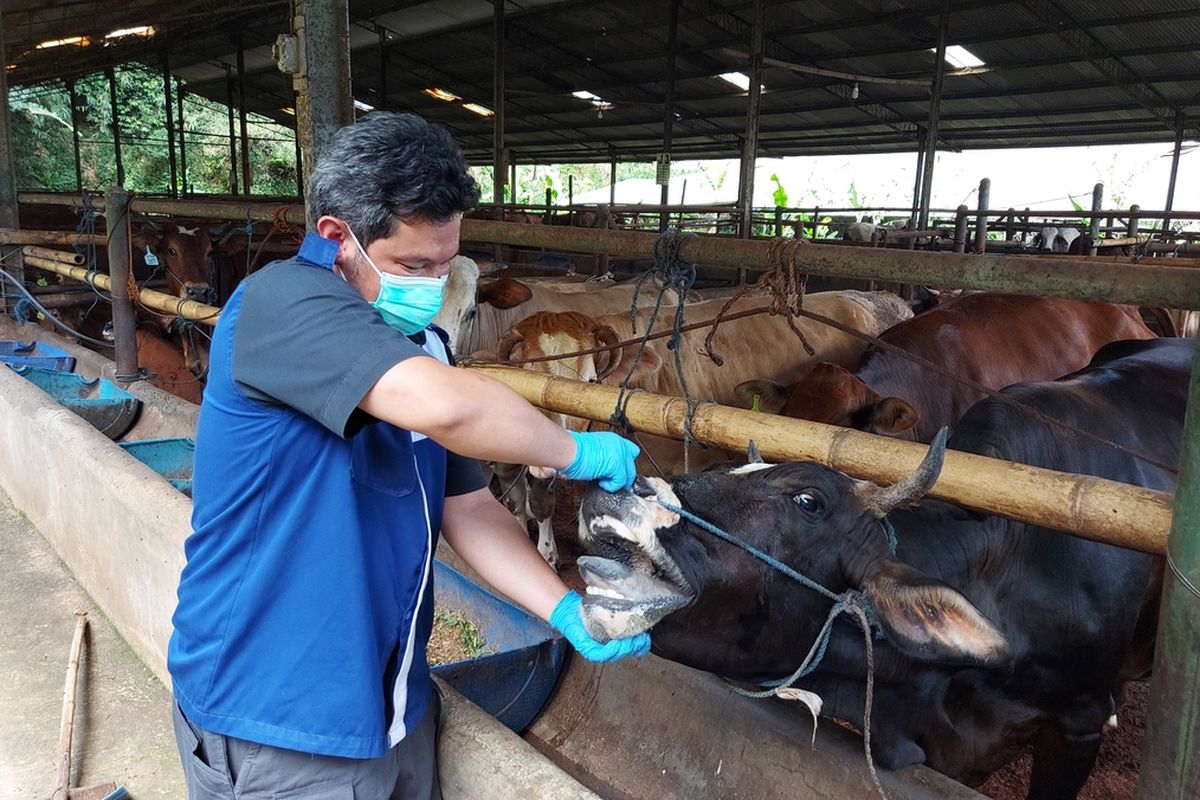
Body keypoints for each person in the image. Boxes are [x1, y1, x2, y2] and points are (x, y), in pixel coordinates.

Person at [167, 111, 650, 800]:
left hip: (395, 699)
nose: (431, 286)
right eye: (413, 266)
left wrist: (564, 609)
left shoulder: (426, 348)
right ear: (338, 237)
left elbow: (471, 508)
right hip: (278, 714)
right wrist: (572, 447)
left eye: (444, 266)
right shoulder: (279, 303)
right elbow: (452, 409)